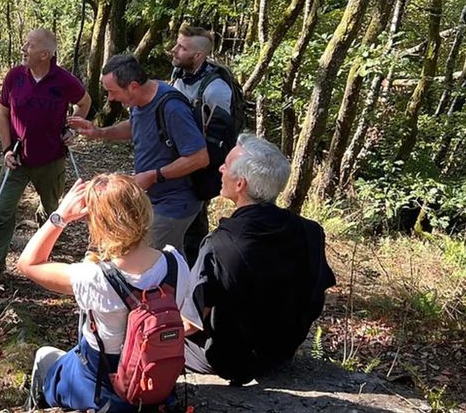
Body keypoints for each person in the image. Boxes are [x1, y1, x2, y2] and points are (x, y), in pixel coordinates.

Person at [17, 173, 200, 412]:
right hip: (153, 380)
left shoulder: (94, 276)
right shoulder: (176, 263)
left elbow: (28, 264)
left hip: (101, 383)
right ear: (144, 210)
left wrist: (59, 216)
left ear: (97, 223)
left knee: (45, 356)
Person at [185, 134, 336, 385]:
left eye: (227, 164)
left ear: (240, 184)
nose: (220, 168)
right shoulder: (311, 232)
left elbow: (191, 322)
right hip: (280, 353)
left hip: (227, 359)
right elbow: (315, 299)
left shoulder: (218, 245)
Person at [0, 29, 90, 292]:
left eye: (28, 45)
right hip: (17, 159)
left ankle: (42, 250)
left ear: (45, 54)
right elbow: (3, 114)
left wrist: (72, 128)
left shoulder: (64, 80)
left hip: (51, 159)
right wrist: (7, 149)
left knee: (52, 208)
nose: (23, 48)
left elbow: (84, 103)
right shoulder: (15, 76)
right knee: (1, 212)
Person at [68, 54, 208, 254]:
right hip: (152, 198)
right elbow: (135, 127)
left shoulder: (172, 108)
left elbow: (199, 157)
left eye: (112, 92)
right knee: (169, 257)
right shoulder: (138, 102)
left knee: (147, 257)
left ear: (133, 86)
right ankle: (185, 282)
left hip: (176, 202)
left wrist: (153, 176)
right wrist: (100, 132)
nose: (111, 98)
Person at [169, 24, 239, 263]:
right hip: (177, 158)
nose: (174, 50)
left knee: (194, 221)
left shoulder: (216, 89)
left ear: (198, 55)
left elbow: (219, 139)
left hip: (200, 165)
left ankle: (195, 272)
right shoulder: (180, 75)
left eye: (182, 47)